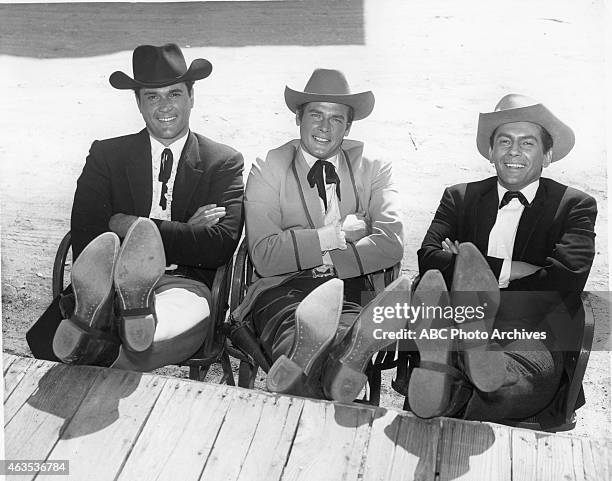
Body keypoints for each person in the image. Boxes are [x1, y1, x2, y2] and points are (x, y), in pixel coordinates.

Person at [26, 44, 244, 371]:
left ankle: (109, 332)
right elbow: (88, 240)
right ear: (138, 102)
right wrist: (187, 229)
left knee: (166, 322)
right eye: (153, 97)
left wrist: (133, 226)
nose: (164, 106)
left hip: (185, 285)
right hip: (109, 281)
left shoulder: (223, 162)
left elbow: (218, 248)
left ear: (191, 97)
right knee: (122, 314)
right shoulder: (106, 156)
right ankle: (113, 313)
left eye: (174, 94)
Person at [410, 94, 597, 426]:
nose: (514, 151)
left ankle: (451, 384)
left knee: (520, 379)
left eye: (527, 143)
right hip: (460, 320)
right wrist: (510, 270)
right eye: (504, 141)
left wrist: (472, 269)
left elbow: (564, 281)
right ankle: (461, 365)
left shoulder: (574, 205)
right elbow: (429, 259)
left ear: (547, 155)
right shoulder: (460, 196)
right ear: (492, 151)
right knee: (468, 357)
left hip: (530, 333)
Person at [230, 68, 406, 402]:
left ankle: (313, 365)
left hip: (349, 288)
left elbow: (391, 244)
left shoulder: (375, 166)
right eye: (316, 115)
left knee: (333, 340)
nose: (324, 128)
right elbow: (266, 257)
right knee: (299, 335)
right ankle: (335, 362)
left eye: (336, 119)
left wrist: (319, 257)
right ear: (298, 118)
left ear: (348, 126)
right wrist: (336, 235)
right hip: (282, 288)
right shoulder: (269, 166)